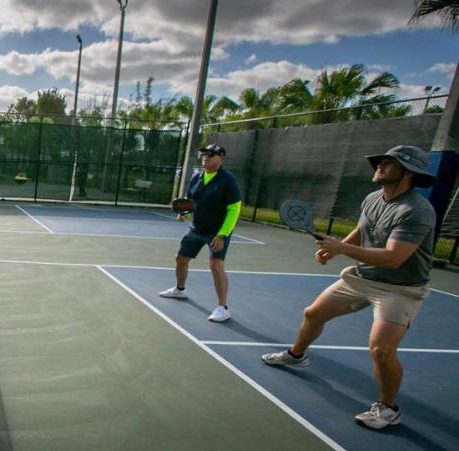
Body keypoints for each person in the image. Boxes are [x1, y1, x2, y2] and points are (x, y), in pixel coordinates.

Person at [261, 145, 437, 430]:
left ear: (409, 173)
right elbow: (363, 230)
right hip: (362, 277)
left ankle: (388, 409)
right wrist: (337, 251)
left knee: (381, 350)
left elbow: (394, 258)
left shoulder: (416, 211)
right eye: (380, 161)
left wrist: (340, 247)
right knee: (313, 313)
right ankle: (296, 356)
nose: (379, 165)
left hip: (400, 288)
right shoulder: (372, 199)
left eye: (389, 163)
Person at [159, 143, 242, 323]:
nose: (206, 156)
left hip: (216, 231)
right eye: (204, 153)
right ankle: (179, 290)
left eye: (211, 154)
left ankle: (222, 307)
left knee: (216, 264)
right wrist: (185, 213)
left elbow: (234, 209)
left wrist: (222, 235)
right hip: (196, 228)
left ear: (221, 158)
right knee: (181, 258)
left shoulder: (228, 180)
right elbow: (191, 203)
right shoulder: (197, 177)